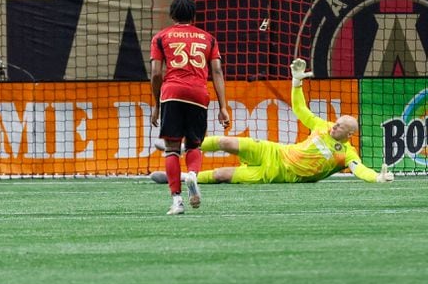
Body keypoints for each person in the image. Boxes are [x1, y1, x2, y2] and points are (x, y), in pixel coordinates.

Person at [150, 59, 395, 185]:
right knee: (227, 141)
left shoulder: (346, 155)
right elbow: (300, 108)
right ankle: (181, 147)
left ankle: (179, 179)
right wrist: (296, 82)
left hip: (275, 174)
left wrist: (377, 178)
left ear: (349, 135)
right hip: (274, 151)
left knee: (222, 175)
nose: (335, 125)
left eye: (341, 126)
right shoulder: (323, 126)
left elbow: (359, 170)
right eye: (337, 122)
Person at [150, 0, 230, 215]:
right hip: (198, 94)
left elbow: (157, 73)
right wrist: (223, 107)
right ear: (194, 16)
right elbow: (217, 72)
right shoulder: (208, 38)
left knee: (172, 149)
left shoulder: (161, 37)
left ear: (172, 15)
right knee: (194, 145)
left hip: (172, 93)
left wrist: (157, 103)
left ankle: (177, 201)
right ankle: (193, 174)